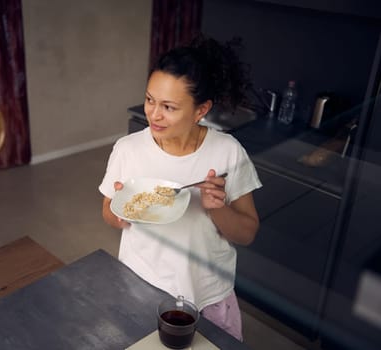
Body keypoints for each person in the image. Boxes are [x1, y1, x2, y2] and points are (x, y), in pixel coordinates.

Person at [98, 35, 262, 342]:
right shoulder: (128, 149)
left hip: (208, 295)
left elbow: (247, 232)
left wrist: (218, 208)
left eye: (169, 107)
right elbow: (108, 211)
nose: (154, 114)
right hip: (138, 285)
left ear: (201, 110)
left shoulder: (227, 152)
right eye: (150, 100)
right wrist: (122, 211)